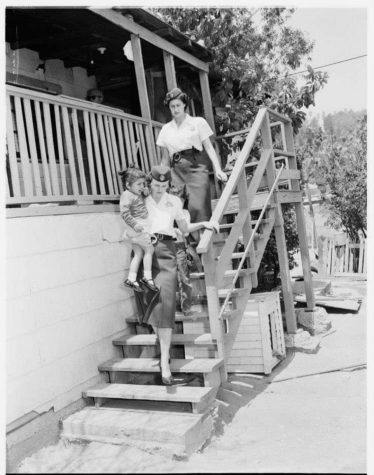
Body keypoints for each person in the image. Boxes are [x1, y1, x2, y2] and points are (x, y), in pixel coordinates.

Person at [124, 165, 218, 385]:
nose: (159, 189)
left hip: (166, 254)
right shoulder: (139, 199)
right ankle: (161, 351)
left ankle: (165, 363)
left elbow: (184, 229)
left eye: (163, 185)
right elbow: (127, 229)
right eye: (156, 185)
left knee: (165, 308)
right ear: (149, 183)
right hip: (144, 252)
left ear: (168, 185)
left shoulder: (174, 202)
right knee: (151, 306)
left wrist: (204, 223)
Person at [156, 87, 228, 226]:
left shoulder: (198, 122)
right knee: (177, 209)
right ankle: (189, 246)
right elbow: (165, 160)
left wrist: (218, 169)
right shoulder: (165, 129)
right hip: (176, 170)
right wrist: (160, 180)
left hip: (197, 166)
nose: (175, 109)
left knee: (198, 207)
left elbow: (209, 148)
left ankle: (204, 244)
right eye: (172, 106)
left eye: (178, 105)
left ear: (184, 105)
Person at [119, 167, 158, 293]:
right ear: (128, 185)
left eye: (143, 184)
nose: (142, 186)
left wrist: (145, 191)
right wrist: (135, 225)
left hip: (139, 227)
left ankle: (131, 278)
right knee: (149, 249)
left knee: (138, 253)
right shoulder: (127, 195)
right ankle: (147, 277)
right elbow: (124, 213)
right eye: (139, 184)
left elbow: (145, 194)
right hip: (137, 227)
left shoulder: (136, 193)